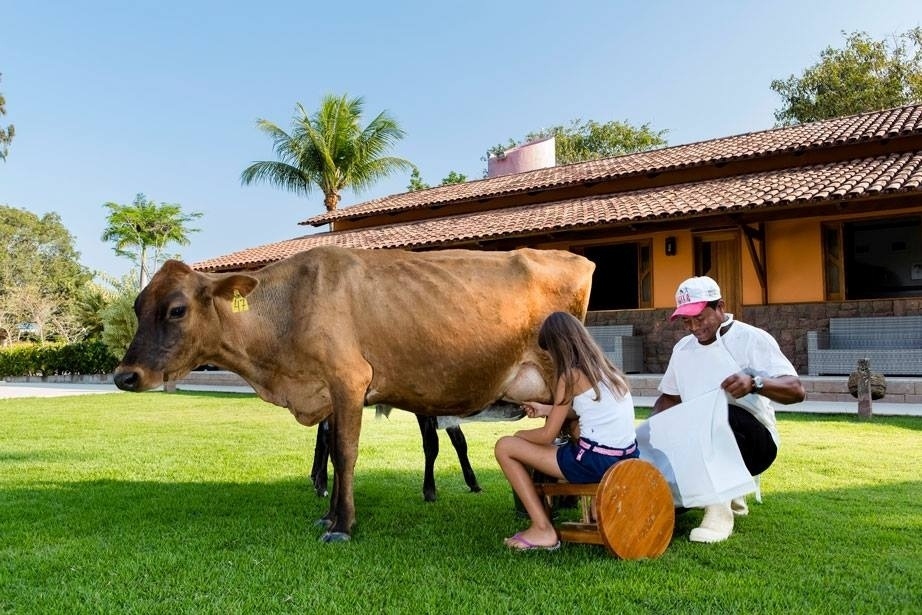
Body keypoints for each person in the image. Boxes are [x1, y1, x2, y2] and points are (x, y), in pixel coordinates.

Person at [653, 276, 805, 543]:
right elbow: (668, 399)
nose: (693, 327)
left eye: (699, 318)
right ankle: (724, 491)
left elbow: (796, 390)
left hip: (755, 442)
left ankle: (719, 513)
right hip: (698, 439)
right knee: (670, 493)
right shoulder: (682, 349)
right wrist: (653, 436)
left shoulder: (751, 339)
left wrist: (755, 383)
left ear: (720, 306)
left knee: (715, 413)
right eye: (686, 321)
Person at [494, 311, 637, 551]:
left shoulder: (569, 374)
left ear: (557, 347)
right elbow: (590, 410)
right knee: (574, 430)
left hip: (594, 462)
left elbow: (546, 436)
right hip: (626, 458)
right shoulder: (607, 370)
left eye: (549, 352)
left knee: (505, 447)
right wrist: (545, 409)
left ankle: (542, 529)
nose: (550, 359)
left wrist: (518, 437)